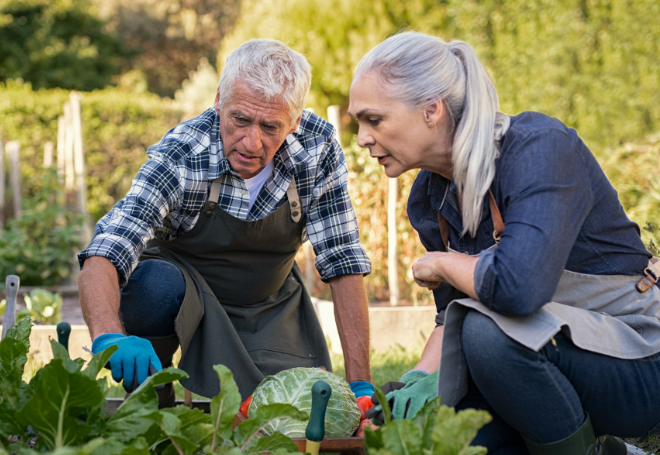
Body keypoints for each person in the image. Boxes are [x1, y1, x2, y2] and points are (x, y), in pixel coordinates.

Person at [349, 31, 660, 454]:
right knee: (453, 441)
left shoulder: (539, 149)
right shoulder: (428, 199)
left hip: (637, 356)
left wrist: (442, 264)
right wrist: (413, 384)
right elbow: (452, 319)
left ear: (431, 110)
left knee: (486, 333)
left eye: (374, 119)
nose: (363, 138)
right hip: (535, 361)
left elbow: (519, 287)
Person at [77, 39, 375, 406]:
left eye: (270, 126)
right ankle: (152, 399)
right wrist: (109, 336)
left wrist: (362, 385)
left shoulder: (317, 147)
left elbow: (342, 259)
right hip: (184, 295)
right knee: (151, 288)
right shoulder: (183, 154)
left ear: (295, 122)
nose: (251, 142)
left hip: (268, 302)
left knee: (281, 414)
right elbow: (109, 247)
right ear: (219, 100)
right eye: (240, 119)